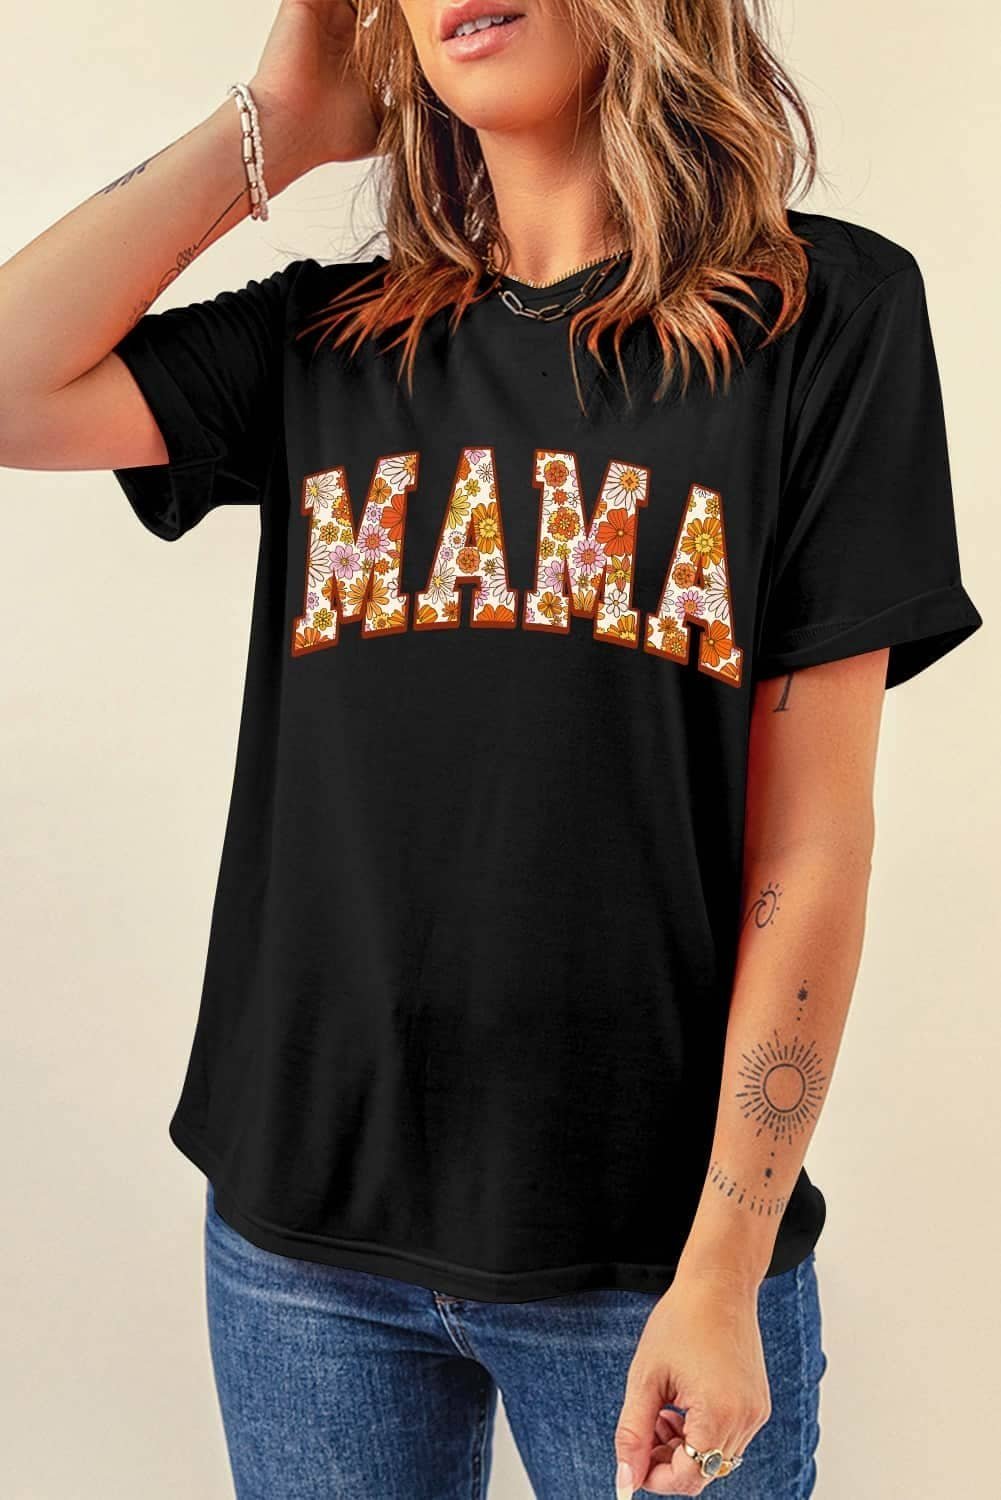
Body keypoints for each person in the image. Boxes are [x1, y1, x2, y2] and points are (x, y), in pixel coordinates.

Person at [0, 2, 982, 1496]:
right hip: (303, 1249)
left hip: (651, 1259)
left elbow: (812, 843)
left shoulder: (819, 317)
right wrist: (273, 128)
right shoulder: (334, 337)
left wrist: (723, 1269)